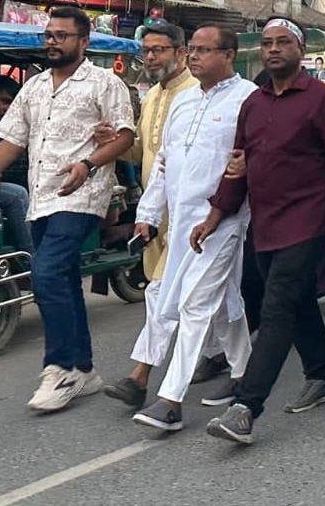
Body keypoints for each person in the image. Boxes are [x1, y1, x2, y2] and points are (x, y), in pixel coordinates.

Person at [192, 17, 325, 446]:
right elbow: (238, 166)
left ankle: (246, 406)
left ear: (300, 50)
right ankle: (321, 377)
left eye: (283, 42)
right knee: (298, 301)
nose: (272, 49)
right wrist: (215, 216)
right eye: (266, 43)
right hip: (264, 224)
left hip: (307, 222)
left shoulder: (323, 99)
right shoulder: (254, 104)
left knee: (277, 310)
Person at [0, 6, 137, 412]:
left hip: (81, 194)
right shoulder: (35, 87)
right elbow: (11, 140)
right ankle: (84, 368)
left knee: (46, 273)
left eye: (62, 35)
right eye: (49, 35)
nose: (53, 41)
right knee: (64, 279)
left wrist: (89, 163)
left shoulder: (103, 83)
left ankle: (59, 368)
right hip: (40, 199)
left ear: (83, 42)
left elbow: (125, 137)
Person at [108, 25, 256, 431]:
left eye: (205, 51)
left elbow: (249, 161)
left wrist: (223, 211)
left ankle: (170, 400)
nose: (195, 57)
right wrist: (150, 212)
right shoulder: (184, 101)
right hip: (181, 223)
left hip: (224, 219)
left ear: (229, 55)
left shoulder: (248, 100)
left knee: (195, 303)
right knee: (222, 301)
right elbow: (164, 163)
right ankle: (243, 373)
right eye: (192, 50)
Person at [102, 21, 199, 408]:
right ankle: (232, 361)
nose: (151, 57)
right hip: (154, 215)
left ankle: (140, 376)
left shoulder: (196, 94)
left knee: (161, 295)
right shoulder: (154, 95)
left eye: (159, 50)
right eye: (148, 51)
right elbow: (144, 152)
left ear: (181, 53)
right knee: (208, 303)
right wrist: (114, 144)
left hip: (190, 215)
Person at [0, 76, 32, 253]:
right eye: (3, 102)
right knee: (17, 195)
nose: (7, 110)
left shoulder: (8, 129)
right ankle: (33, 258)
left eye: (12, 105)